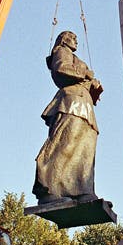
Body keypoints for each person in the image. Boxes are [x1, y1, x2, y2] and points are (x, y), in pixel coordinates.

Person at [32, 30, 103, 205]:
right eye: (72, 37)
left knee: (86, 148)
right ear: (63, 40)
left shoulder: (73, 56)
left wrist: (93, 85)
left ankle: (83, 190)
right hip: (71, 101)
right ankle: (49, 188)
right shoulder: (61, 51)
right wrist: (85, 74)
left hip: (84, 103)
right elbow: (61, 68)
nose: (76, 41)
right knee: (66, 142)